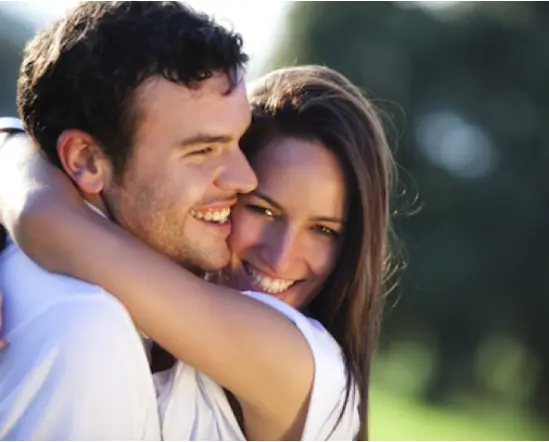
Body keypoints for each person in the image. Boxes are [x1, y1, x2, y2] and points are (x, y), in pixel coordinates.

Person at [0, 64, 399, 440]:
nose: (280, 258)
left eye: (324, 231)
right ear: (224, 192)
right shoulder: (146, 299)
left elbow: (47, 219)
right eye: (263, 210)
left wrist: (11, 146)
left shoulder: (308, 370)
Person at [0, 1, 255, 439]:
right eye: (202, 151)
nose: (246, 178)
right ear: (86, 160)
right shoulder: (85, 330)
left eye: (239, 141)